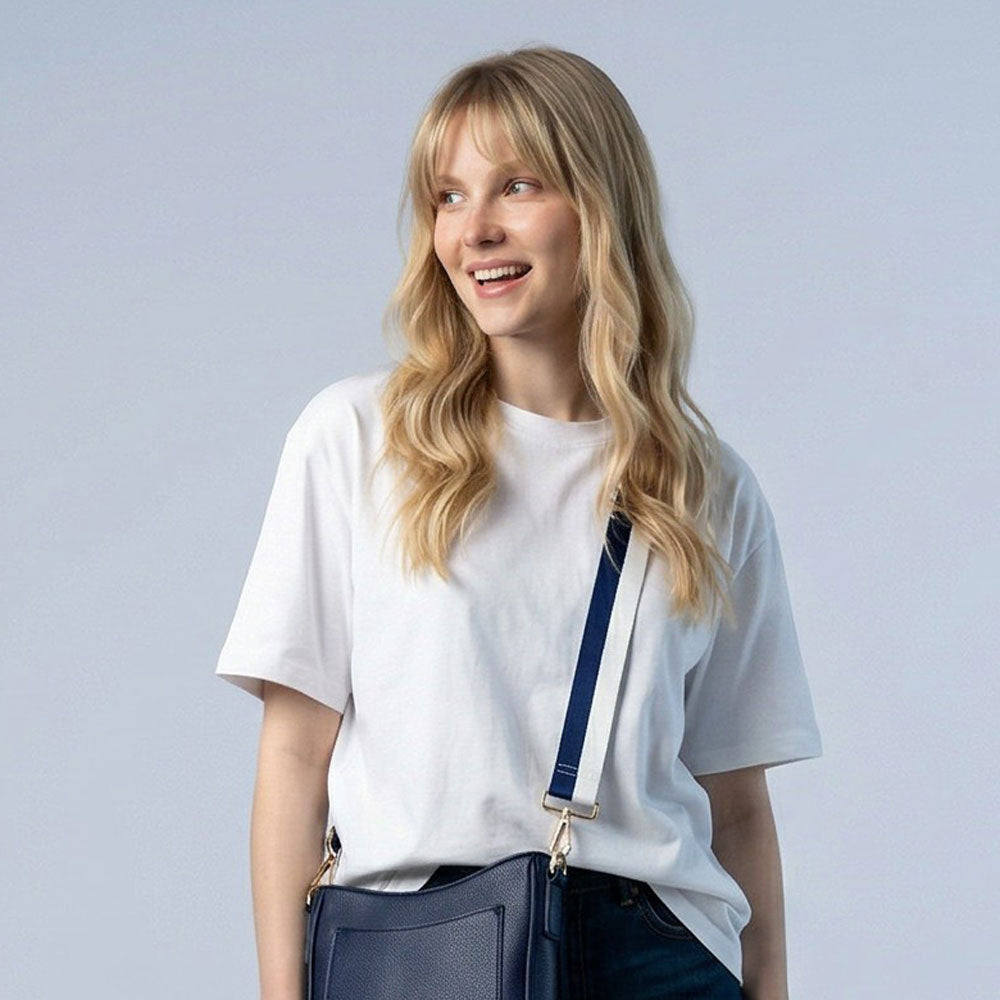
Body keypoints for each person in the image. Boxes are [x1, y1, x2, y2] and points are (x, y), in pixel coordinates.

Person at [215, 44, 822, 1000]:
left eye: (518, 186)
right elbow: (294, 755)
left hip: (661, 959)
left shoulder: (705, 488)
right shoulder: (358, 440)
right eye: (448, 197)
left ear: (601, 207)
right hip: (425, 952)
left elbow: (738, 803)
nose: (476, 230)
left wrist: (772, 989)